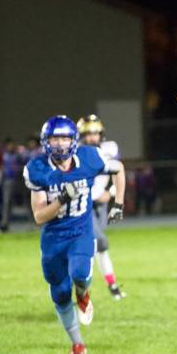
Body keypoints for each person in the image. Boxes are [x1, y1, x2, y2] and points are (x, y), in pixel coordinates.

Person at [24, 115, 121, 354]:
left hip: (80, 230)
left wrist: (118, 203)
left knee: (79, 273)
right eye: (55, 138)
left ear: (73, 140)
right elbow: (39, 216)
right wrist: (61, 200)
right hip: (54, 236)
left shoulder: (89, 158)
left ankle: (84, 293)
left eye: (64, 138)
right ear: (46, 141)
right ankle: (77, 344)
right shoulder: (37, 169)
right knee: (59, 292)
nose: (59, 144)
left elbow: (118, 169)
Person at [77, 115, 127, 300]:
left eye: (95, 132)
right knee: (100, 242)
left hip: (101, 204)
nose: (92, 137)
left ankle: (112, 285)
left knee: (98, 247)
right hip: (82, 204)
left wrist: (112, 194)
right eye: (88, 133)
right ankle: (81, 289)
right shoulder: (76, 153)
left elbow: (118, 173)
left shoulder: (109, 149)